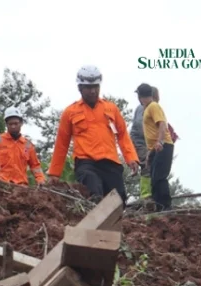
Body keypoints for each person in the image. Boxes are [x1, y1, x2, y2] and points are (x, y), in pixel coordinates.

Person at [48, 65, 139, 203]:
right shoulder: (70, 112)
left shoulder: (111, 108)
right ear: (80, 88)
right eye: (88, 88)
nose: (92, 91)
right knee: (93, 190)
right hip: (86, 163)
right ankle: (92, 220)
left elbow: (122, 134)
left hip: (111, 162)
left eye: (96, 87)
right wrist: (54, 173)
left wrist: (131, 157)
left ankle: (114, 223)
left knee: (118, 201)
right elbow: (62, 144)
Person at [0, 107, 46, 186]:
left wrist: (40, 178)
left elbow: (35, 166)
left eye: (16, 123)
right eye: (10, 124)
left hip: (21, 187)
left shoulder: (28, 145)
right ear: (6, 124)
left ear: (21, 123)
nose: (13, 126)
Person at [137, 83, 174, 211]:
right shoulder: (147, 109)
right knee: (153, 178)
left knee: (159, 176)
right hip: (155, 148)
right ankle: (159, 207)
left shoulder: (153, 106)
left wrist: (160, 142)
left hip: (163, 146)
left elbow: (162, 124)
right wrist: (149, 153)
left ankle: (165, 206)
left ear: (140, 96)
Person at [130, 95, 152, 200]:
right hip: (140, 142)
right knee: (146, 164)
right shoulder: (140, 108)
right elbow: (138, 127)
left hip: (149, 142)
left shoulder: (154, 108)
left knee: (153, 166)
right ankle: (145, 194)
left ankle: (152, 192)